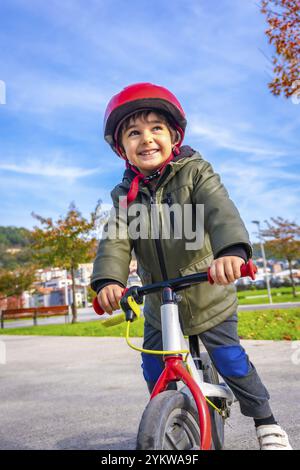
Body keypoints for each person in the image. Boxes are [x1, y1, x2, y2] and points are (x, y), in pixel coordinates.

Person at [91, 82, 292, 450]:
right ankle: (169, 416)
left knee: (230, 360)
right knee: (154, 367)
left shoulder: (195, 172)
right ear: (123, 149)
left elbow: (219, 210)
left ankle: (266, 422)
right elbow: (116, 240)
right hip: (157, 300)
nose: (146, 138)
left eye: (156, 129)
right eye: (134, 133)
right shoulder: (125, 196)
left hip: (207, 290)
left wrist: (230, 252)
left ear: (174, 136)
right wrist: (108, 279)